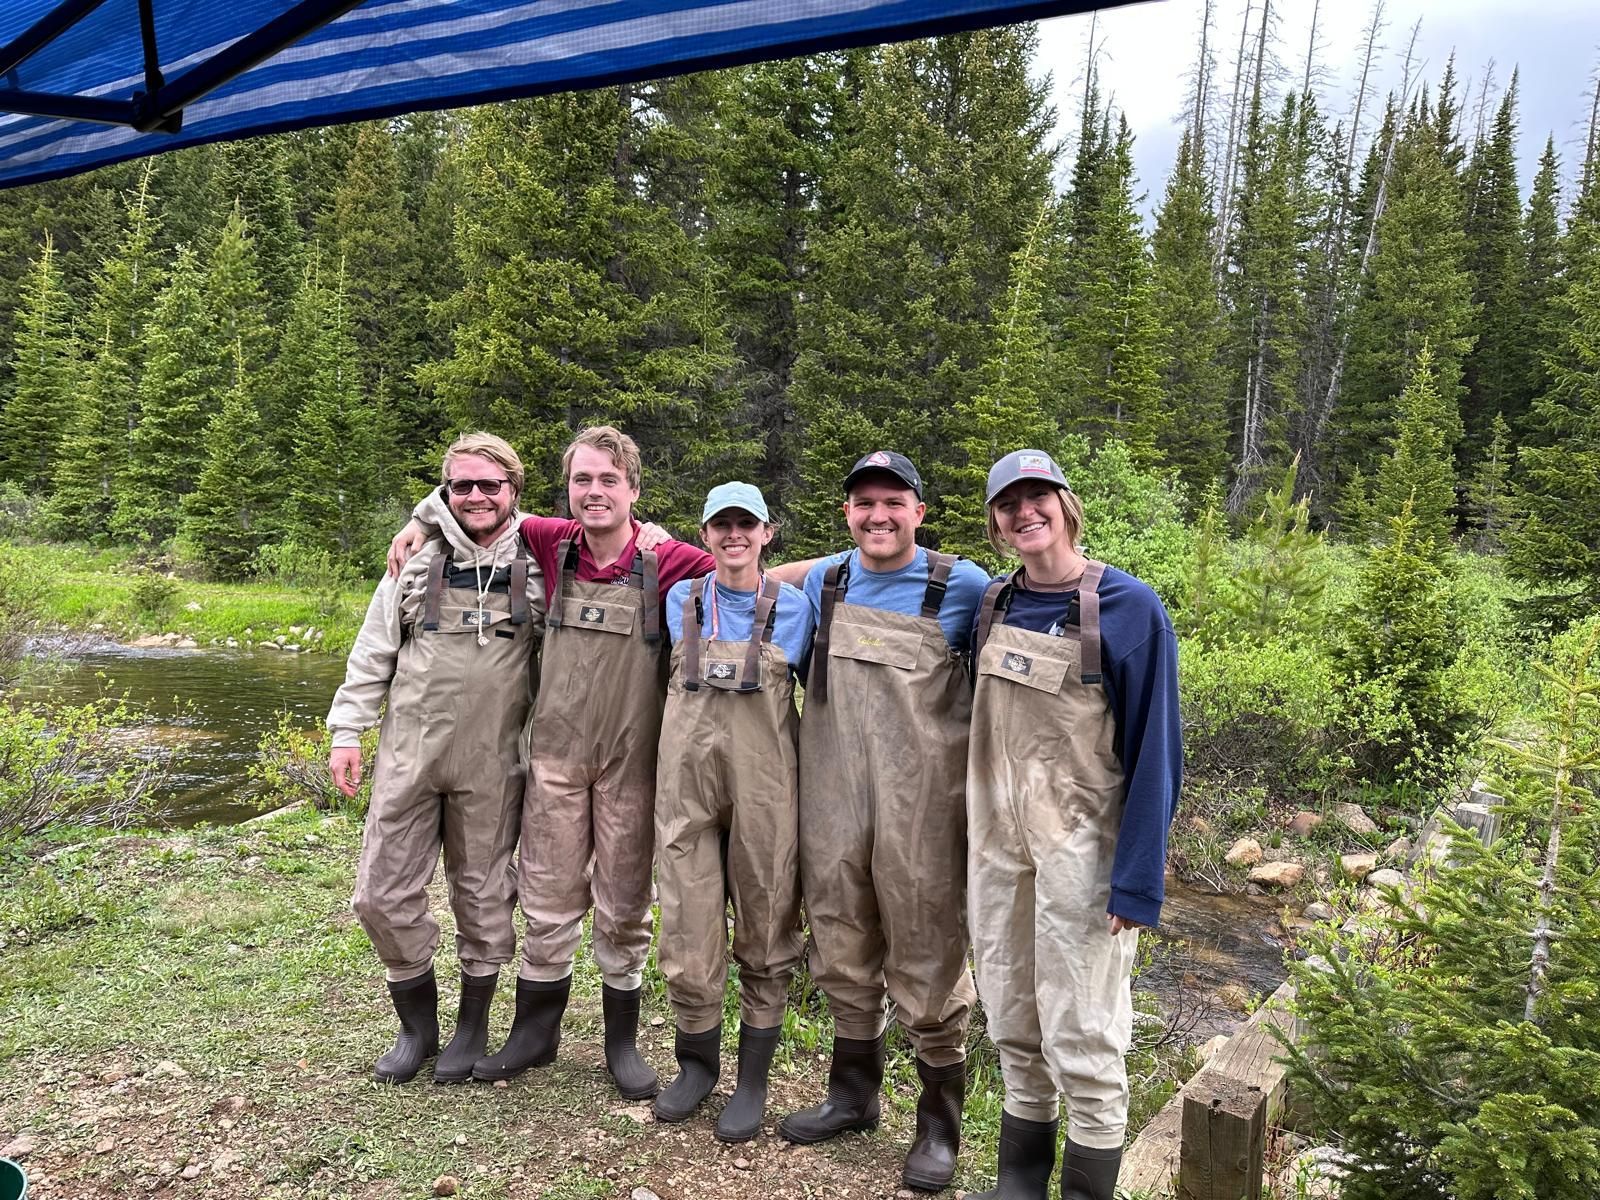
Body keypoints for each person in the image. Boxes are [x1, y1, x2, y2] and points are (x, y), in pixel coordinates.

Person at [389, 425, 713, 1098]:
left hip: (631, 764)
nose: (594, 492)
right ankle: (536, 1034)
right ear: (567, 490)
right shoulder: (550, 541)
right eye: (582, 480)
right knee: (547, 898)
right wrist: (420, 521)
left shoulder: (671, 560)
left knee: (625, 905)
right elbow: (480, 499)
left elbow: (746, 574)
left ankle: (620, 1044)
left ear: (633, 491)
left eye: (608, 480)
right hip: (557, 762)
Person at [964, 450, 1181, 1200]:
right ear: (995, 521)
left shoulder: (1129, 608)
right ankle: (1019, 1184)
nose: (1025, 512)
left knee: (1085, 1033)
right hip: (997, 849)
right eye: (1008, 503)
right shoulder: (992, 604)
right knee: (1012, 1017)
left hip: (1084, 858)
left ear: (1066, 504)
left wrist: (1138, 881)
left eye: (1038, 497)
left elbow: (1157, 753)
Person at [778, 451, 990, 1193]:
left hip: (923, 810)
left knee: (929, 954)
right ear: (847, 515)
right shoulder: (825, 581)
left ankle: (938, 1126)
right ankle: (852, 1097)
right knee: (839, 941)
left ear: (919, 513)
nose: (878, 515)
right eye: (864, 503)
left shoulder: (960, 586)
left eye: (893, 503)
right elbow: (742, 576)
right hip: (832, 799)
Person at [328, 432, 544, 1085]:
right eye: (461, 486)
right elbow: (373, 651)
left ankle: (473, 1025)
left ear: (514, 491)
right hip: (409, 752)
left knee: (483, 895)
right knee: (378, 892)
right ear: (445, 491)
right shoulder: (416, 559)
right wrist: (347, 729)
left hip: (495, 758)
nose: (476, 496)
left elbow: (611, 525)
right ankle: (417, 1027)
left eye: (490, 485)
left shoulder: (540, 559)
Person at [651, 481, 815, 1141]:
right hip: (685, 787)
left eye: (746, 524)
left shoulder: (798, 609)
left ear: (766, 532)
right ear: (707, 532)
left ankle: (751, 1081)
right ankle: (696, 1065)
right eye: (722, 525)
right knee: (688, 924)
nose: (734, 536)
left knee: (768, 918)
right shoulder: (679, 600)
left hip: (767, 786)